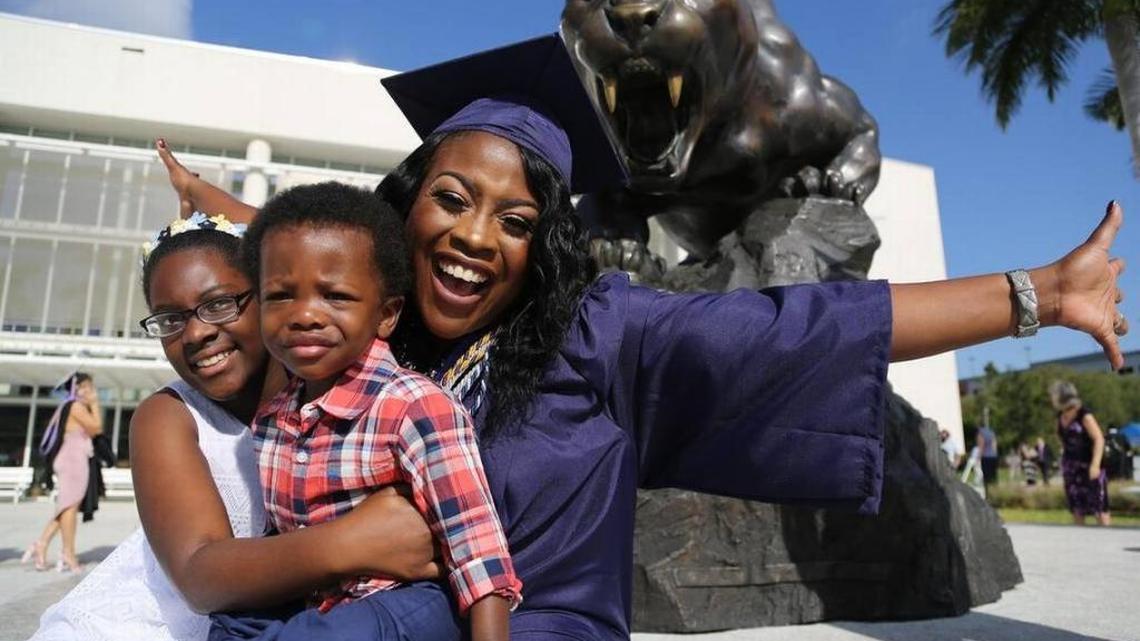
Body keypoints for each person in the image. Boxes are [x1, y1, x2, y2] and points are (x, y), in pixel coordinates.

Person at [155, 33, 1127, 641]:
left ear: (543, 244)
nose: (473, 236)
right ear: (406, 212)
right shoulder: (375, 339)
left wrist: (1035, 291)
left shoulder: (599, 329)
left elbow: (802, 329)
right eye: (451, 200)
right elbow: (316, 267)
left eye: (516, 219)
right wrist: (226, 213)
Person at [29, 215, 438, 640]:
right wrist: (355, 542)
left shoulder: (341, 394)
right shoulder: (169, 416)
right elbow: (199, 577)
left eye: (219, 304)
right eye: (169, 319)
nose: (196, 333)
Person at [209, 183, 520, 641]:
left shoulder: (414, 406)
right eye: (279, 296)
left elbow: (478, 552)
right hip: (322, 605)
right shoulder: (272, 421)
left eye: (335, 296)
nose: (305, 315)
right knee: (225, 626)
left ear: (387, 315)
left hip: (407, 602)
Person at [23, 372, 103, 573]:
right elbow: (96, 428)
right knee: (69, 508)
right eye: (86, 387)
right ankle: (68, 554)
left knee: (67, 508)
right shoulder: (75, 406)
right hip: (73, 460)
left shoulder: (67, 406)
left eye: (91, 388)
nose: (90, 391)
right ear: (76, 388)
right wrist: (94, 404)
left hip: (70, 459)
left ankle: (40, 545)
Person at [1051, 381, 1112, 525]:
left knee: (1099, 506)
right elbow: (1060, 437)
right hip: (1071, 469)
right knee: (1077, 508)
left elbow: (1099, 439)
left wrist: (1095, 465)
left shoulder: (1084, 415)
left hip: (1090, 467)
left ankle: (1106, 540)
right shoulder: (1060, 416)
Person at [977, 422, 1000, 487]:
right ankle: (995, 489)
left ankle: (988, 492)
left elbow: (981, 445)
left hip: (986, 456)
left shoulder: (981, 433)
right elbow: (994, 445)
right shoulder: (991, 432)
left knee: (987, 476)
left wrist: (979, 456)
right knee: (994, 475)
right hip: (993, 456)